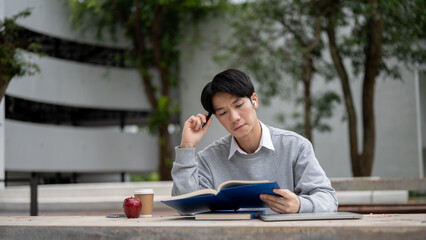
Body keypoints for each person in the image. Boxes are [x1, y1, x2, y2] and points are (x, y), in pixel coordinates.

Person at [171, 69, 338, 214]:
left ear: (254, 100)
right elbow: (186, 207)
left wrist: (299, 205)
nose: (234, 118)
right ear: (216, 118)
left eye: (239, 105)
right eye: (223, 113)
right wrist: (187, 146)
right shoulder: (209, 158)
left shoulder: (295, 146)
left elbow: (329, 200)